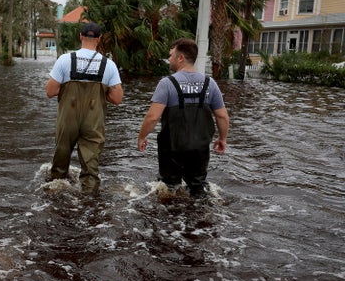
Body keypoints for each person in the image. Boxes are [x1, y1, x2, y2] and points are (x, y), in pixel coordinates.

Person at [137, 38, 230, 197]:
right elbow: (222, 116)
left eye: (171, 55)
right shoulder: (210, 84)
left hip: (172, 148)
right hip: (200, 148)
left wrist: (142, 136)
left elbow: (152, 117)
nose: (169, 59)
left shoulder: (167, 83)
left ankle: (172, 219)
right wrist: (223, 139)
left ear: (181, 58)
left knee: (169, 189)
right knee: (197, 188)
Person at [45, 22, 123, 193]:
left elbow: (50, 91)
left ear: (80, 36)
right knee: (91, 168)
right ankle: (89, 202)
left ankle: (56, 196)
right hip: (94, 121)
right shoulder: (108, 65)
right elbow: (117, 98)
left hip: (68, 119)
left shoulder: (65, 60)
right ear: (99, 39)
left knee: (60, 161)